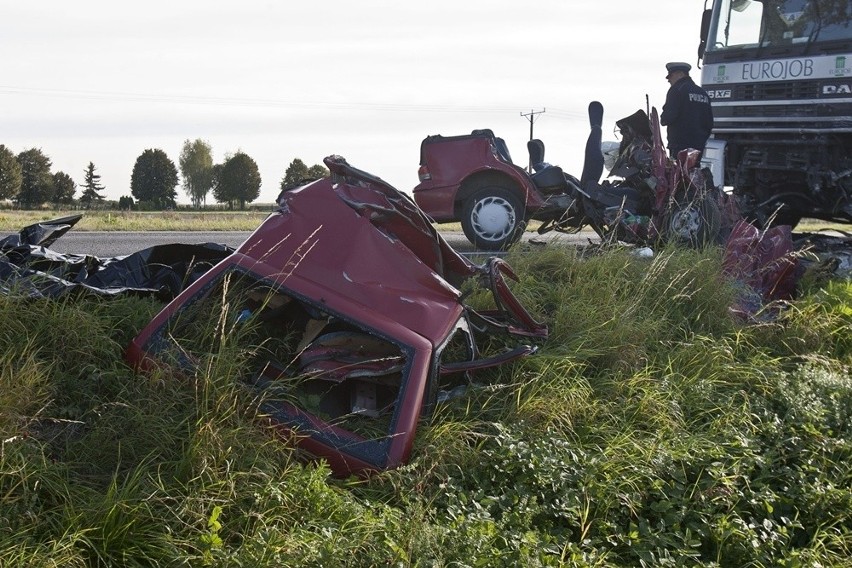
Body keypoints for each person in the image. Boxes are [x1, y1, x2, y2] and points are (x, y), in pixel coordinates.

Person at [660, 62, 714, 159]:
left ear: (680, 74)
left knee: (678, 172)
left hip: (680, 147)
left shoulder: (677, 90)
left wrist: (662, 118)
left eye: (671, 76)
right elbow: (709, 123)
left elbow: (667, 118)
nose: (669, 80)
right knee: (693, 172)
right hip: (698, 147)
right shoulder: (702, 93)